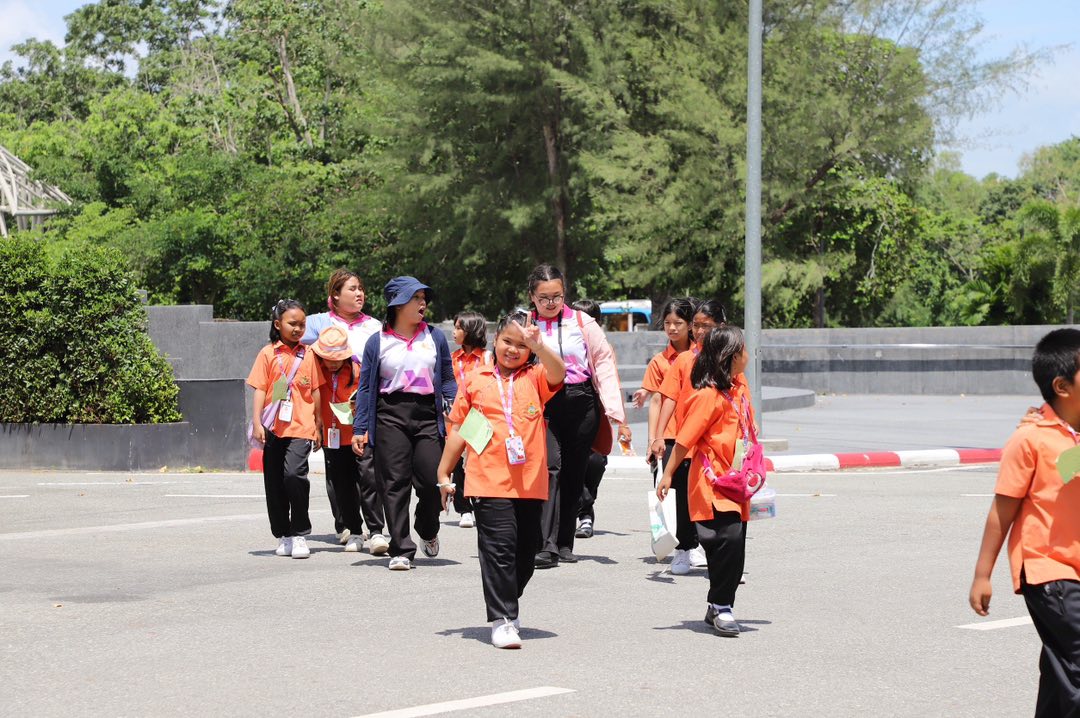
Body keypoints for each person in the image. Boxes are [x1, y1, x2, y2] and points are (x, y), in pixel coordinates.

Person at [436, 311, 566, 648]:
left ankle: (508, 599)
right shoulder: (476, 379)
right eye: (508, 341)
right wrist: (444, 471)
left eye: (522, 345)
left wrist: (540, 346)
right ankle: (503, 618)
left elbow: (559, 372)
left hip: (530, 482)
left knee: (526, 554)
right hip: (487, 479)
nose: (513, 350)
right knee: (499, 549)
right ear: (496, 340)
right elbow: (461, 429)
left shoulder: (535, 377)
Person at [969, 328, 1080, 717]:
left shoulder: (1071, 438)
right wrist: (982, 575)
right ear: (1062, 387)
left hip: (1074, 569)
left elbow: (1067, 477)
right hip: (1048, 571)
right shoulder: (1030, 439)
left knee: (1061, 671)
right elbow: (1003, 509)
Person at [352, 277, 457, 571]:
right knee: (394, 483)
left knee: (432, 480)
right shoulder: (377, 341)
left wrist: (455, 409)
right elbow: (366, 388)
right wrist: (360, 428)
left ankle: (427, 528)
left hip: (427, 414)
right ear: (398, 304)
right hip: (390, 414)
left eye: (424, 298)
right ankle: (401, 548)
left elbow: (447, 378)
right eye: (416, 298)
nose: (423, 303)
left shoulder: (435, 337)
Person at [526, 265, 627, 568]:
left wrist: (613, 408)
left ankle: (564, 542)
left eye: (557, 296)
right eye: (544, 298)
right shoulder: (525, 323)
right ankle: (545, 544)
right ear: (532, 297)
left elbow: (603, 360)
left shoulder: (582, 322)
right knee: (550, 468)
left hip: (581, 401)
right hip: (544, 402)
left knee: (573, 473)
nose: (551, 303)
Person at [656, 325, 753, 637]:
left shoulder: (739, 389)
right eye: (743, 349)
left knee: (735, 547)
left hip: (738, 481)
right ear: (730, 356)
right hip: (713, 483)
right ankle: (722, 606)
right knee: (727, 540)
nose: (748, 354)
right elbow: (684, 440)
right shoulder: (707, 396)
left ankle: (717, 604)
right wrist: (668, 473)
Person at [301, 268, 388, 553]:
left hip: (362, 414)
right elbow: (293, 339)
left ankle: (376, 530)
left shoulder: (374, 326)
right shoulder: (319, 323)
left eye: (361, 288)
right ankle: (348, 527)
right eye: (352, 289)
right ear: (335, 295)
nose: (359, 293)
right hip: (332, 423)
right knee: (339, 478)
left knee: (369, 475)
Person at [648, 298, 727, 575]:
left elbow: (741, 398)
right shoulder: (684, 360)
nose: (700, 331)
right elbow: (668, 398)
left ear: (721, 326)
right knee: (681, 495)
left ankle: (716, 552)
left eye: (707, 326)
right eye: (696, 325)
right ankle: (683, 549)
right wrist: (658, 436)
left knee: (716, 497)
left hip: (717, 442)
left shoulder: (728, 359)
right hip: (684, 439)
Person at [247, 299, 324, 559]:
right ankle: (283, 534)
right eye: (293, 323)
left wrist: (319, 424)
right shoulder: (267, 354)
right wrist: (257, 422)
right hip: (273, 428)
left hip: (301, 426)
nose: (298, 328)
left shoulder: (310, 354)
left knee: (294, 475)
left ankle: (300, 533)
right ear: (278, 324)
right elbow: (260, 389)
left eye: (302, 324)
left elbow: (315, 390)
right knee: (275, 482)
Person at [570, 299, 632, 539]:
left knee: (595, 463)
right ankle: (583, 515)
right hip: (568, 412)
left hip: (596, 413)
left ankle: (585, 505)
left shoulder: (604, 348)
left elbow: (613, 384)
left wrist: (622, 423)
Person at [310, 326, 368, 553]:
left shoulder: (357, 370)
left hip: (356, 435)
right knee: (340, 485)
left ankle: (372, 528)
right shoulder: (316, 370)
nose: (332, 363)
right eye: (328, 358)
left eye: (337, 358)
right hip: (331, 437)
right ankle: (349, 527)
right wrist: (315, 428)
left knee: (366, 482)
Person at [450, 311, 491, 529]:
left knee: (478, 461)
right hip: (456, 416)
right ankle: (464, 509)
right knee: (457, 463)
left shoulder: (487, 357)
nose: (454, 332)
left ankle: (482, 503)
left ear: (471, 330)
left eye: (458, 328)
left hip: (479, 416)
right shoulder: (452, 358)